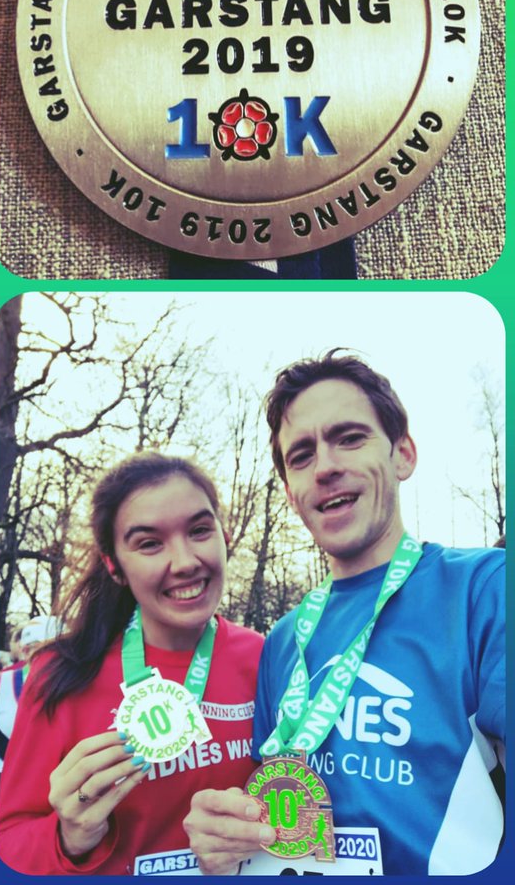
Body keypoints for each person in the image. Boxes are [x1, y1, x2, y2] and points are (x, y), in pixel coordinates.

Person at [185, 353, 505, 876]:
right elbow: (280, 815)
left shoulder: (485, 589)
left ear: (403, 455)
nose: (326, 466)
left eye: (350, 438)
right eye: (302, 456)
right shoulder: (285, 640)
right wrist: (226, 835)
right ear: (291, 494)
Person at [0, 454, 263, 874]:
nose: (186, 561)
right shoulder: (60, 673)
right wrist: (68, 838)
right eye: (149, 543)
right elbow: (6, 845)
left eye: (199, 530)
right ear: (114, 565)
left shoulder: (266, 658)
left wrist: (262, 829)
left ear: (224, 536)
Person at [0, 614, 62, 821]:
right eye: (41, 649)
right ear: (24, 650)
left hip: (60, 796)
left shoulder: (82, 686)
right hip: (4, 793)